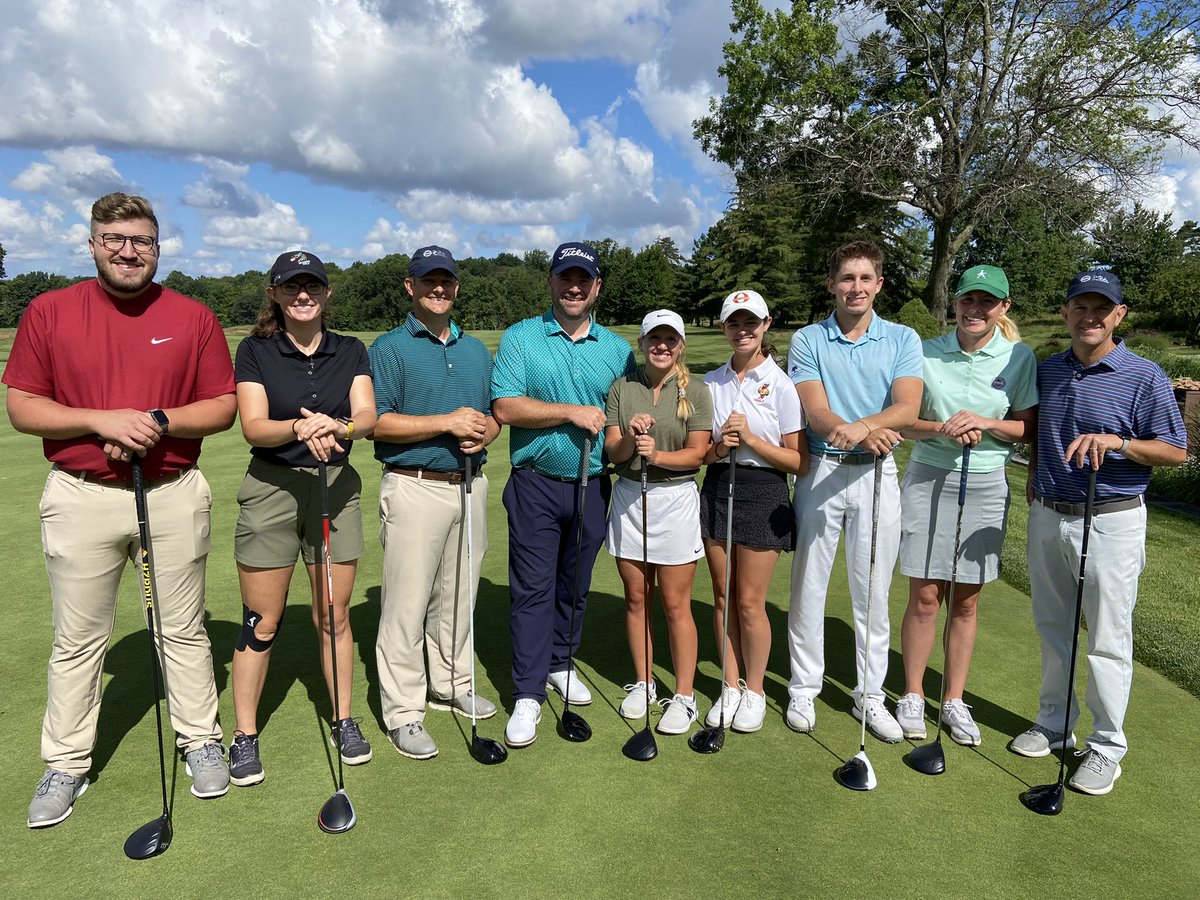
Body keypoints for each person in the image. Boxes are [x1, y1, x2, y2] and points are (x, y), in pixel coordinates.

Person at [4, 192, 237, 827]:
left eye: (141, 241)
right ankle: (67, 763)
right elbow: (23, 404)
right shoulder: (50, 312)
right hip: (81, 496)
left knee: (183, 630)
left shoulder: (193, 317)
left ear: (158, 247)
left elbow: (221, 406)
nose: (129, 252)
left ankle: (201, 741)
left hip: (170, 491)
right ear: (93, 244)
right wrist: (99, 419)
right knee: (78, 638)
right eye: (115, 240)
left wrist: (156, 421)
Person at [1010, 270, 1186, 795]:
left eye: (1101, 308)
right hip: (1049, 513)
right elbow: (1035, 428)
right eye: (1080, 307)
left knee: (1108, 638)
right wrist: (1035, 480)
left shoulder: (1144, 375)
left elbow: (1176, 451)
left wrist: (1118, 442)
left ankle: (1106, 746)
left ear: (1119, 315)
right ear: (1065, 313)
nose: (1090, 317)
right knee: (1053, 627)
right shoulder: (1047, 371)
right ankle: (1054, 724)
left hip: (1110, 518)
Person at [226, 251, 376, 786]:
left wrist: (337, 429)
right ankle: (244, 736)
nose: (303, 294)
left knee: (333, 616)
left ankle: (343, 718)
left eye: (312, 285)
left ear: (327, 292)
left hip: (335, 488)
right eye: (292, 286)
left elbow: (366, 416)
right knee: (260, 622)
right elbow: (253, 425)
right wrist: (299, 429)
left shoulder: (351, 349)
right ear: (275, 293)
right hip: (272, 488)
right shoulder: (255, 350)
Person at [491, 241, 637, 748]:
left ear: (597, 287)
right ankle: (528, 694)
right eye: (565, 277)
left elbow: (631, 412)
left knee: (574, 587)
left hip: (594, 485)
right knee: (533, 590)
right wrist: (569, 411)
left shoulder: (618, 350)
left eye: (584, 279)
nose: (574, 287)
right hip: (534, 483)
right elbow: (506, 407)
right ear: (551, 282)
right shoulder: (521, 337)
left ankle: (559, 662)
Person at [786, 240, 922, 742]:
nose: (856, 287)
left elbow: (907, 407)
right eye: (847, 278)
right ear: (831, 284)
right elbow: (815, 411)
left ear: (879, 284)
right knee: (809, 585)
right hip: (822, 469)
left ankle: (870, 693)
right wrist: (859, 428)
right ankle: (804, 687)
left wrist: (864, 427)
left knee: (873, 591)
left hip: (877, 474)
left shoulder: (903, 338)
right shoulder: (807, 339)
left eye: (866, 278)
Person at [895, 265, 1038, 746]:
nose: (975, 309)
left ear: (1004, 308)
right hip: (926, 477)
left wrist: (985, 422)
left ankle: (953, 700)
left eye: (987, 302)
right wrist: (944, 428)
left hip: (986, 483)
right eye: (967, 300)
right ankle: (912, 693)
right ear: (955, 303)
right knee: (925, 594)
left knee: (967, 598)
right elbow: (904, 422)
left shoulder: (1018, 357)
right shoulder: (926, 353)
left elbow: (1025, 427)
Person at [369, 246, 500, 760]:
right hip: (413, 484)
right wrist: (446, 423)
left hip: (471, 482)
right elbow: (376, 422)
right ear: (411, 286)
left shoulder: (474, 350)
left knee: (459, 594)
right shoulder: (390, 347)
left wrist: (482, 434)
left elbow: (491, 415)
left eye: (446, 281)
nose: (438, 289)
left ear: (456, 287)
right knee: (406, 603)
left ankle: (451, 681)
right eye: (428, 282)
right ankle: (403, 711)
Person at [700, 290, 806, 733]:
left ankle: (756, 689)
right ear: (724, 328)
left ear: (766, 325)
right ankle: (729, 684)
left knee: (749, 600)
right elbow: (703, 454)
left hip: (765, 492)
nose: (742, 330)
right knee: (722, 596)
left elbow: (799, 461)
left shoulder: (782, 385)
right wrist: (720, 445)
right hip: (719, 484)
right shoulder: (710, 382)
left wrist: (752, 442)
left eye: (751, 323)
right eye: (733, 323)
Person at [604, 310, 713, 734]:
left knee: (674, 603)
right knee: (635, 597)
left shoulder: (697, 391)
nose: (661, 346)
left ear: (680, 344)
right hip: (630, 498)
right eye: (654, 338)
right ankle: (645, 683)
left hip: (675, 500)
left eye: (670, 339)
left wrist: (657, 456)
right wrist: (633, 438)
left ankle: (684, 696)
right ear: (643, 342)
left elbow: (698, 454)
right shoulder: (622, 388)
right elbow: (614, 452)